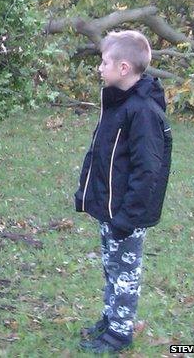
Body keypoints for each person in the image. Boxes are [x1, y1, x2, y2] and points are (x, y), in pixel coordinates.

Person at [74, 30, 173, 354]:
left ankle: (120, 334)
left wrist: (128, 216)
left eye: (105, 62)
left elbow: (148, 171)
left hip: (127, 214)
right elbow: (101, 154)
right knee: (112, 267)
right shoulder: (117, 103)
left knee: (126, 273)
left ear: (124, 68)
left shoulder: (142, 111)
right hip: (109, 208)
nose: (100, 68)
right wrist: (88, 194)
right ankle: (111, 319)